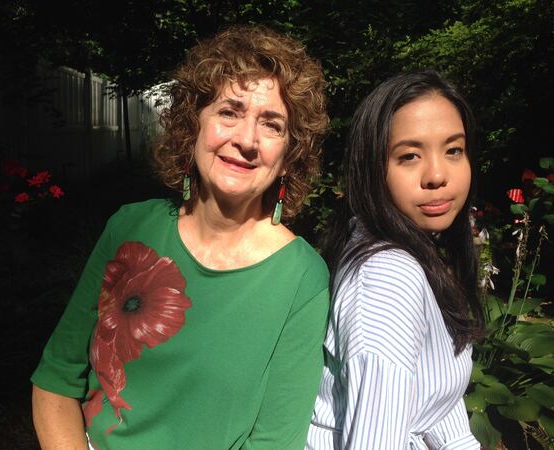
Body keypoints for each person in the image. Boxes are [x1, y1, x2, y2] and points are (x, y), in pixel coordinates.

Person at [31, 25, 330, 450]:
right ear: (193, 126)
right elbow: (55, 380)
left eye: (272, 124)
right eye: (229, 111)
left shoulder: (302, 278)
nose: (246, 140)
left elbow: (274, 442)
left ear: (288, 156)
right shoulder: (129, 230)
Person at [306, 71, 484, 449]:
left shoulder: (402, 249)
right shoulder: (388, 275)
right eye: (409, 156)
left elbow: (436, 404)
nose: (437, 175)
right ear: (372, 169)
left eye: (453, 150)